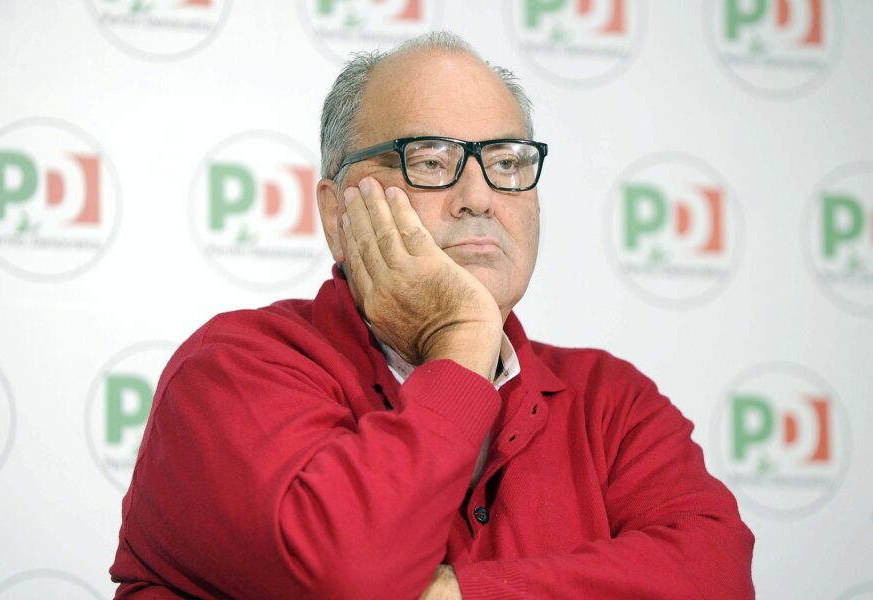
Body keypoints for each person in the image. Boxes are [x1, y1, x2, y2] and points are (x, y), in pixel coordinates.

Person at [110, 32, 754, 599]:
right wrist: (463, 340)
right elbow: (349, 580)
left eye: (506, 163)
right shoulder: (231, 370)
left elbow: (717, 576)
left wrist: (460, 594)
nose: (478, 197)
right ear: (338, 213)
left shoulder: (612, 404)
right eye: (431, 161)